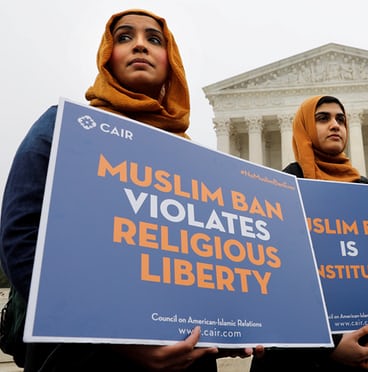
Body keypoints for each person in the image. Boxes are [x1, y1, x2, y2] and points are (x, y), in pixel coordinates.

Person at [0, 9, 260, 371]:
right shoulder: (63, 127)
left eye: (154, 39)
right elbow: (20, 239)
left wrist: (230, 333)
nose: (140, 45)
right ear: (108, 54)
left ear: (172, 62)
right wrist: (120, 340)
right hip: (81, 357)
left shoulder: (193, 157)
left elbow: (207, 262)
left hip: (186, 363)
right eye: (124, 37)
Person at [250, 95, 368, 372]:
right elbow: (269, 282)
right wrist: (328, 348)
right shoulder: (277, 191)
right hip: (298, 362)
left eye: (341, 119)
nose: (335, 125)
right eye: (322, 118)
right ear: (305, 127)